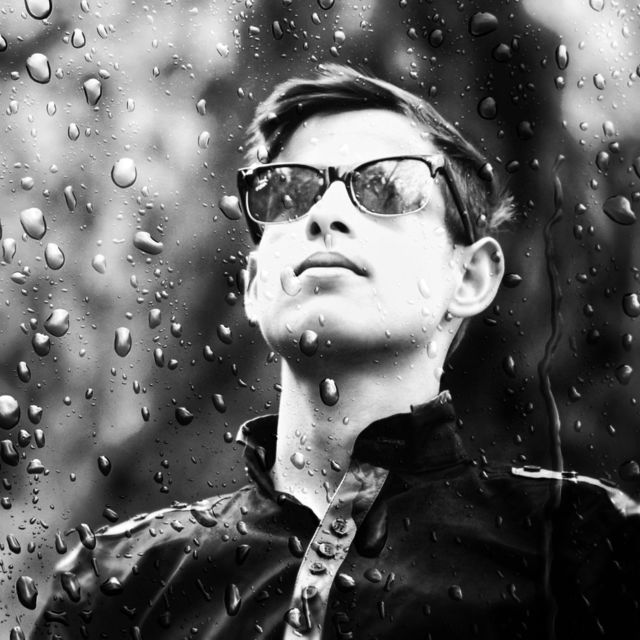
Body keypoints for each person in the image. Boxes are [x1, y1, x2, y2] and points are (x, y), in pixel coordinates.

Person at [30, 64, 640, 640]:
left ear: (471, 277)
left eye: (386, 185)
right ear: (254, 285)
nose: (324, 213)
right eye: (289, 192)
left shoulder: (583, 544)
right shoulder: (113, 580)